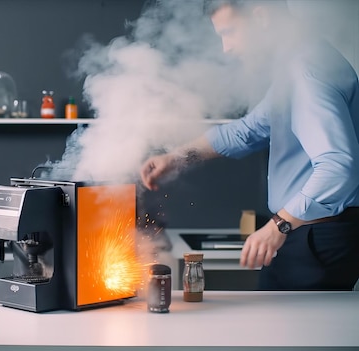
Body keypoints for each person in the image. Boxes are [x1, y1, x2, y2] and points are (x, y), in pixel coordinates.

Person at [139, 0, 359, 290]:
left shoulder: (305, 71)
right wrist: (177, 157)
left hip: (313, 238)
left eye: (229, 32)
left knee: (293, 333)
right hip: (305, 234)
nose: (226, 47)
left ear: (261, 17)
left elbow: (338, 166)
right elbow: (249, 129)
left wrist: (279, 224)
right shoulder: (297, 64)